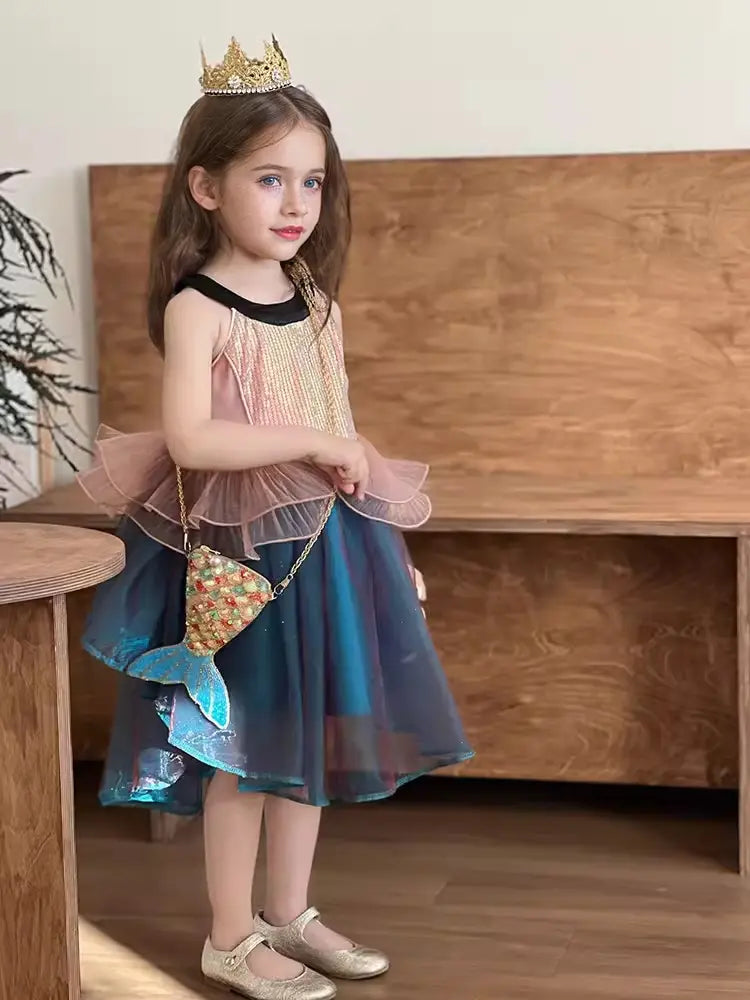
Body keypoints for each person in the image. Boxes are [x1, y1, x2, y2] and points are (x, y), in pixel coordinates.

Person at [79, 34, 473, 1000]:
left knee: (311, 746)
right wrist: (317, 442)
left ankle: (289, 916)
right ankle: (228, 936)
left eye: (312, 182)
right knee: (243, 751)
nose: (297, 205)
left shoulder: (316, 301)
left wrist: (388, 547)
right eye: (270, 180)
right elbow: (192, 439)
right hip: (238, 560)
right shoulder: (198, 307)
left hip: (331, 551)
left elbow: (343, 437)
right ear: (206, 187)